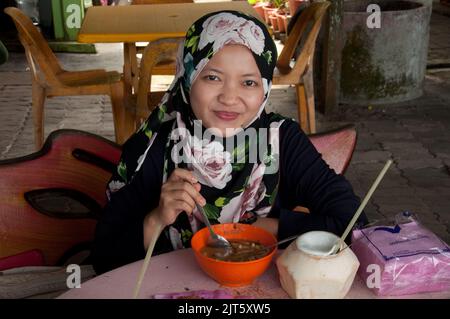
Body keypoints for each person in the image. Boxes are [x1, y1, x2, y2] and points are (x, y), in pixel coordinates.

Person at [90, 10, 368, 274]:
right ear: (186, 79)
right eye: (212, 77)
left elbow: (353, 225)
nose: (229, 97)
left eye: (248, 83)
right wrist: (157, 218)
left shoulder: (280, 141)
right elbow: (103, 259)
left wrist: (266, 228)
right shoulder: (156, 146)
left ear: (265, 88)